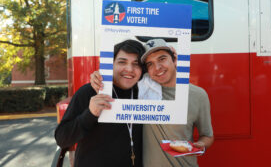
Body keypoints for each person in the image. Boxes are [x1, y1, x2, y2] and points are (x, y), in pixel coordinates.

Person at [91, 38, 214, 167]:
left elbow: (207, 136)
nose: (157, 67)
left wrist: (200, 145)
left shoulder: (198, 95)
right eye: (150, 64)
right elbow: (120, 80)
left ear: (174, 59)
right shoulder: (143, 90)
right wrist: (99, 77)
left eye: (162, 59)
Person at [55, 39, 145, 167]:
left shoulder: (146, 94)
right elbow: (62, 139)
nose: (129, 69)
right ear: (111, 64)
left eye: (136, 64)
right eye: (122, 62)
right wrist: (90, 114)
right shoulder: (90, 92)